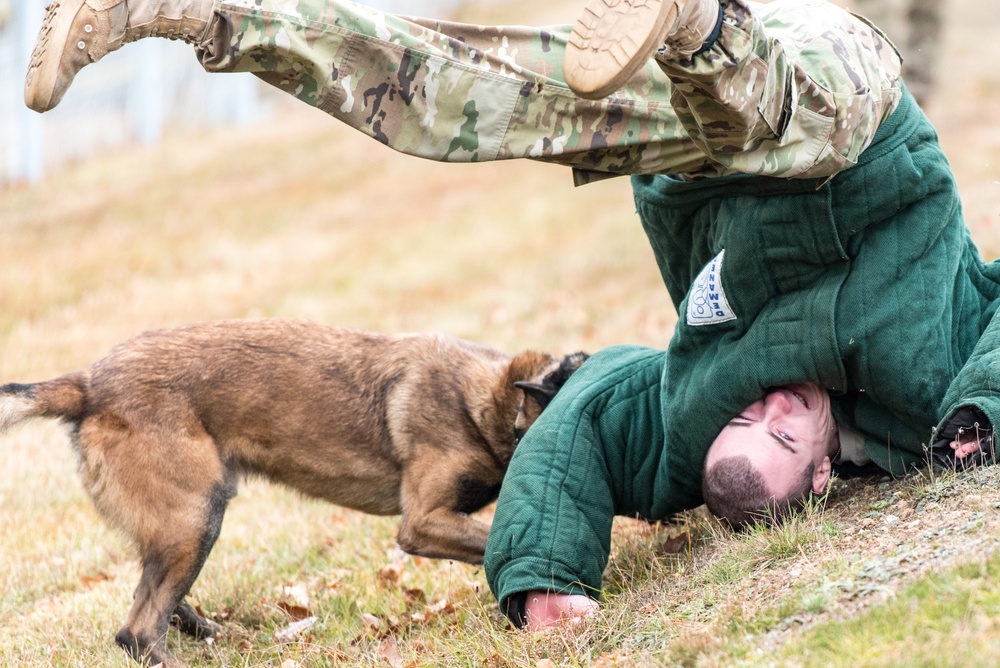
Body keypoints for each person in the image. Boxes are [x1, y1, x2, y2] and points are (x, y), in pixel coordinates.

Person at [22, 0, 995, 635]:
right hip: (854, 130)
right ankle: (705, 30)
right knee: (796, 106)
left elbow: (576, 431)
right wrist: (977, 412)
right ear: (825, 461)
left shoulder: (682, 428)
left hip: (697, 157)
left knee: (487, 105)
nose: (766, 402)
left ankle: (202, 18)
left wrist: (541, 574)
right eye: (777, 423)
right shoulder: (925, 382)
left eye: (758, 423)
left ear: (822, 480)